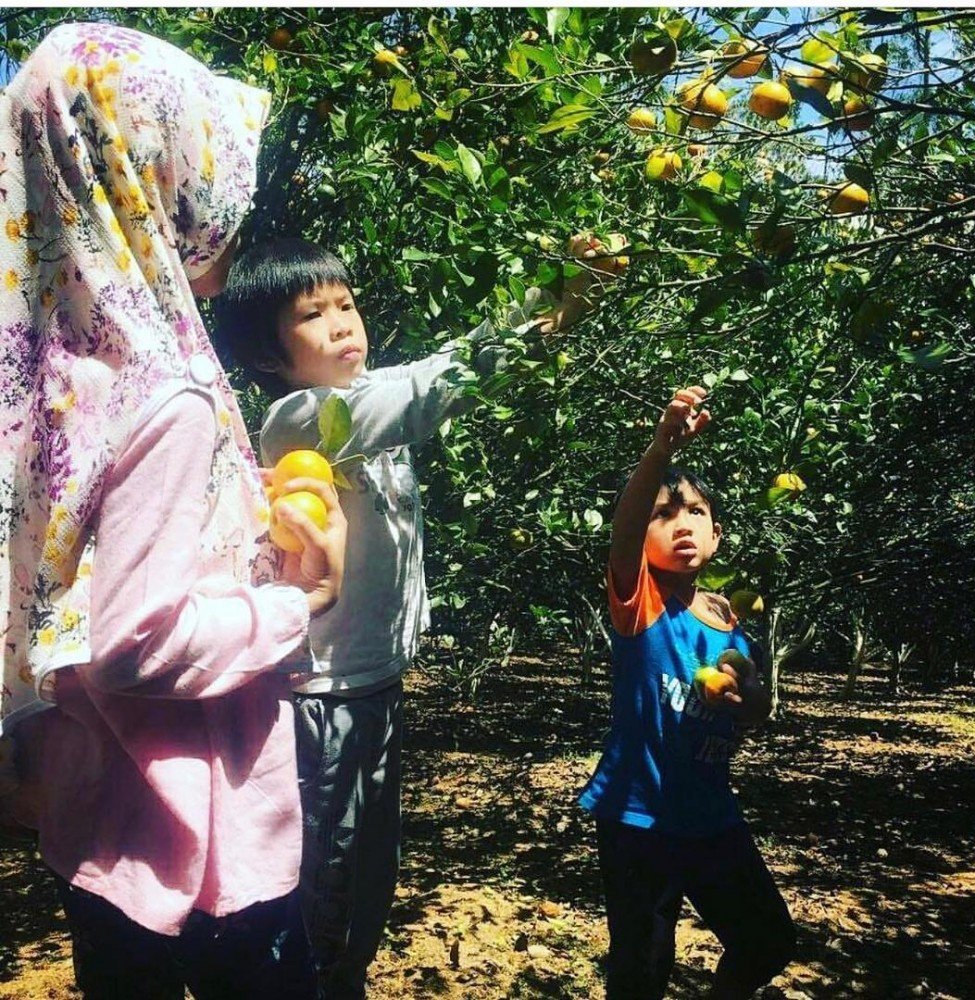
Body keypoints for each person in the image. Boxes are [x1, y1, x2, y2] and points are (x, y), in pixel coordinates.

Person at [0, 23, 348, 999]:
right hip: (201, 846)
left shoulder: (43, 386)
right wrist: (296, 602)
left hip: (92, 822)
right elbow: (136, 643)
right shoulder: (168, 396)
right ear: (155, 177)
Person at [213, 235, 612, 998]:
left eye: (345, 304)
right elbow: (432, 388)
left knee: (370, 871)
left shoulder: (365, 401)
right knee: (324, 878)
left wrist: (552, 301)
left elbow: (435, 369)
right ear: (267, 354)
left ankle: (344, 980)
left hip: (377, 687)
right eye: (312, 314)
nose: (341, 322)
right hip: (322, 695)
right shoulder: (301, 420)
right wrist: (543, 308)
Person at [578, 385, 796, 999]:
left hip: (710, 815)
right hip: (639, 818)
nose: (682, 525)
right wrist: (659, 451)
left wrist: (750, 696)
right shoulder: (641, 604)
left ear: (716, 535)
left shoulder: (728, 621)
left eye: (695, 513)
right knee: (643, 969)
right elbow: (623, 532)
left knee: (767, 939)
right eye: (663, 514)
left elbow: (753, 712)